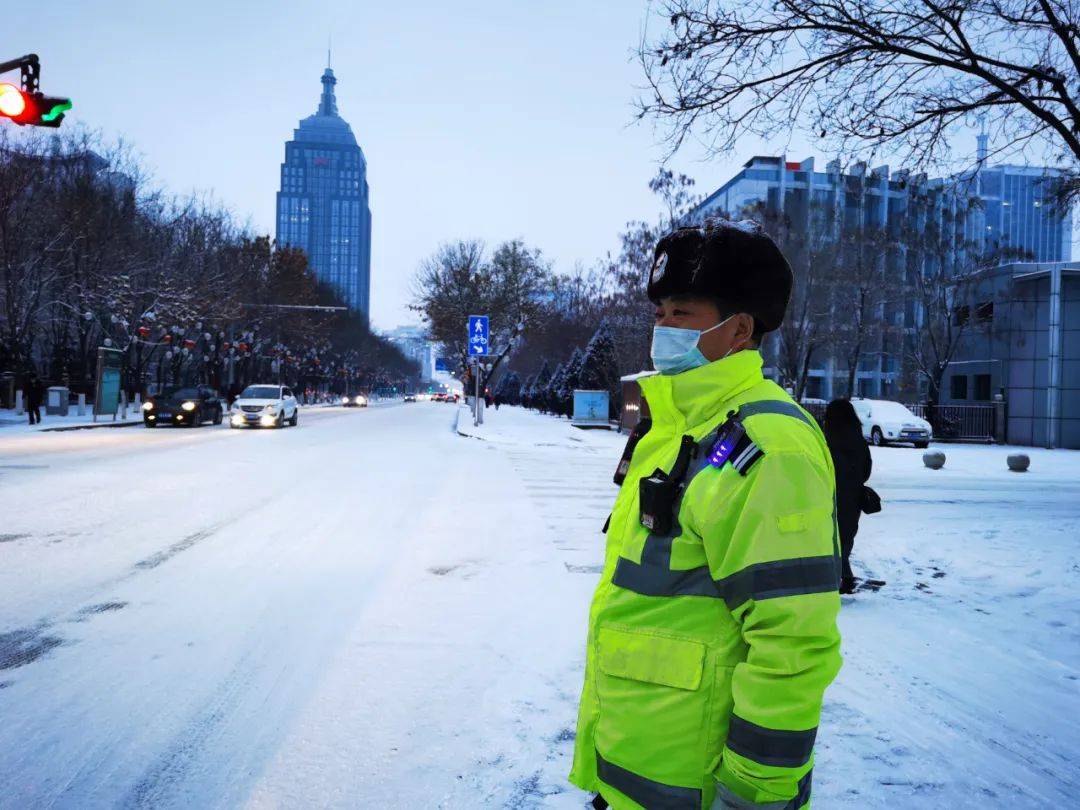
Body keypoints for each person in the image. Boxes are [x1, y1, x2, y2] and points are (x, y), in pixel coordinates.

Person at [569, 222, 842, 810]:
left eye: (682, 313)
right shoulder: (678, 429)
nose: (662, 329)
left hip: (701, 791)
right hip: (640, 772)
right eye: (660, 312)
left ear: (739, 329)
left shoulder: (767, 445)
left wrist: (751, 795)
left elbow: (792, 646)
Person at [822, 399, 873, 594]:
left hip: (830, 495)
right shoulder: (858, 440)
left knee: (830, 538)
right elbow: (866, 470)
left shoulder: (825, 440)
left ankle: (840, 577)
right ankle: (845, 575)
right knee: (846, 538)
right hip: (853, 498)